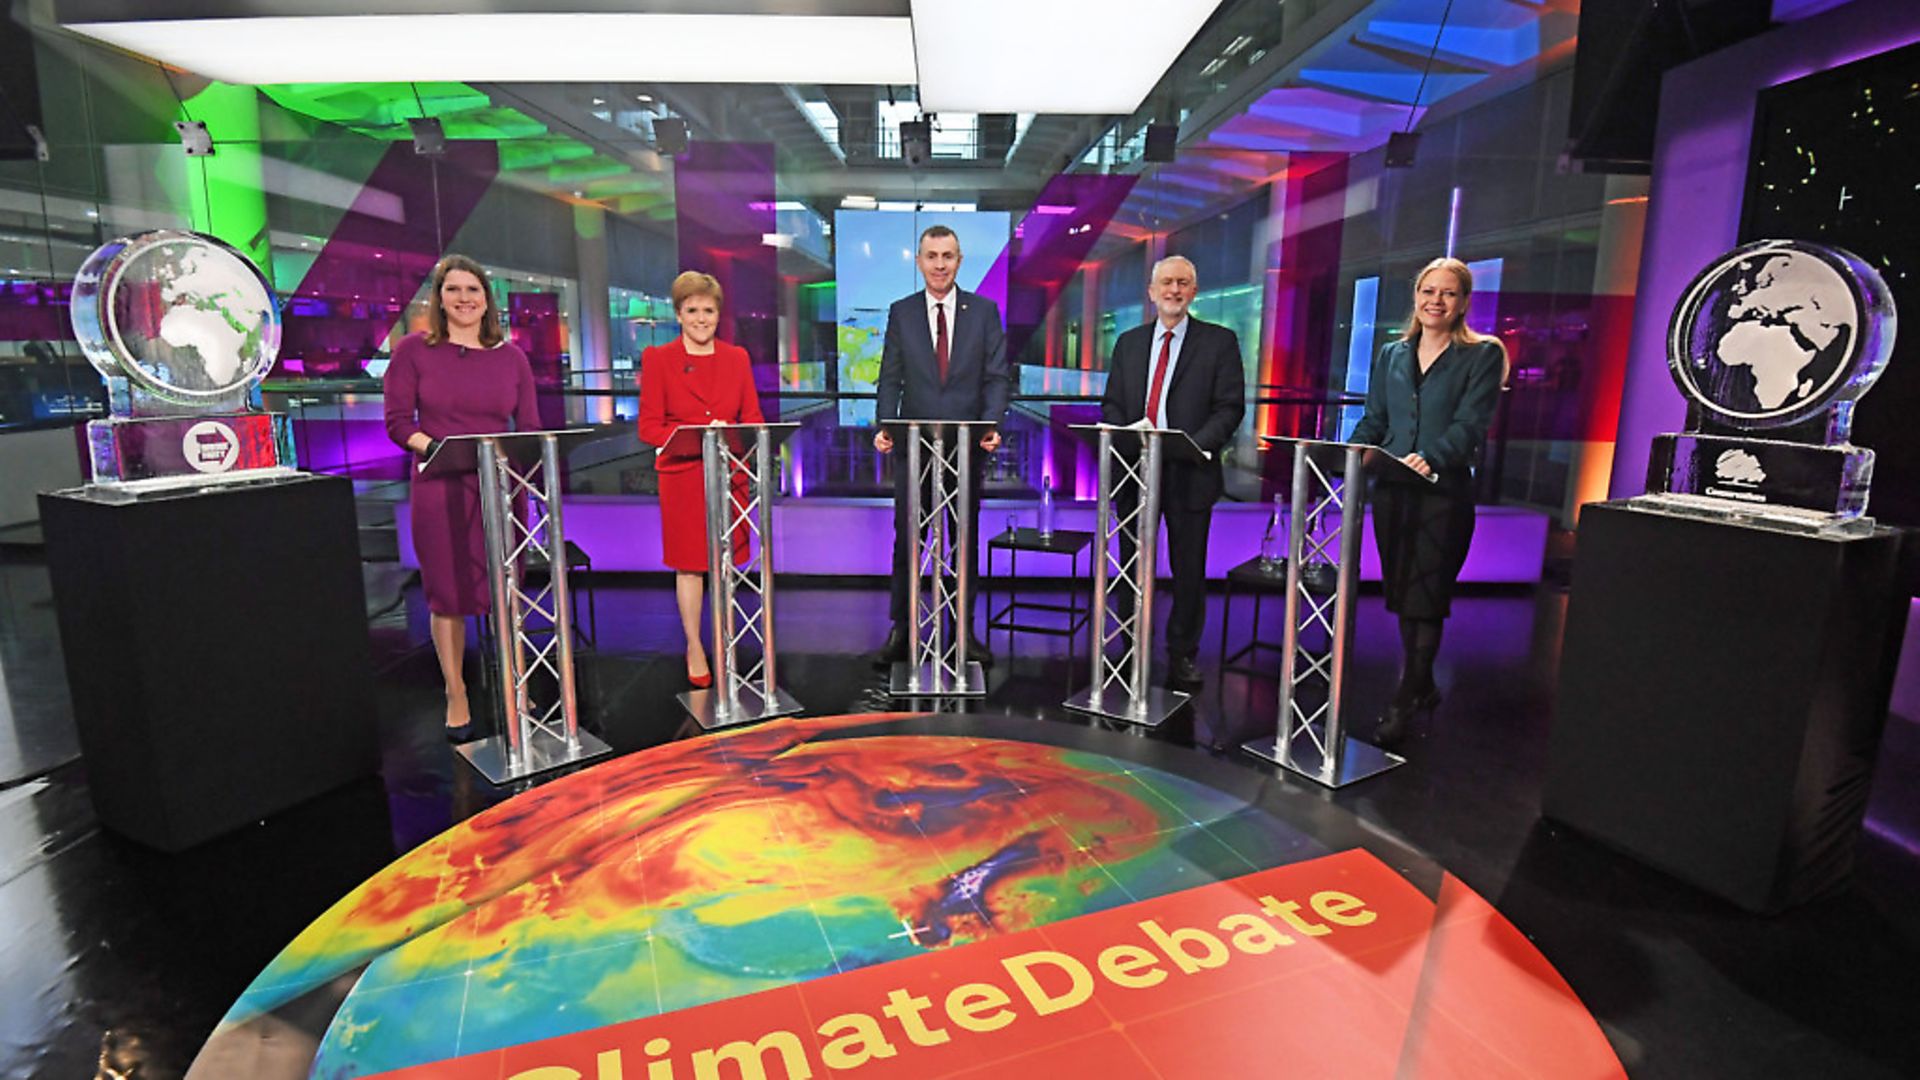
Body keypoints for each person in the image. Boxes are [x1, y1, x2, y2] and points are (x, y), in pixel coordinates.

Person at [1349, 256, 1507, 745]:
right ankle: (1423, 682)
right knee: (1401, 591)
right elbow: (1376, 418)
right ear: (1416, 297)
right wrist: (1354, 449)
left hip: (1442, 490)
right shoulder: (1391, 354)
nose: (1436, 301)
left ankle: (1406, 694)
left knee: (1427, 593)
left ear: (1463, 302)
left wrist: (1430, 456)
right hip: (1393, 489)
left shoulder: (1482, 355)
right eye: (1428, 291)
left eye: (1448, 293)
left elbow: (1471, 425)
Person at [383, 255, 541, 742]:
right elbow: (397, 422)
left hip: (497, 487)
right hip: (440, 487)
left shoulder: (512, 357)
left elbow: (531, 427)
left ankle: (517, 681)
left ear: (487, 299)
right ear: (440, 296)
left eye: (473, 289)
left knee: (505, 589)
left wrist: (530, 482)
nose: (464, 298)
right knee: (447, 596)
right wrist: (438, 449)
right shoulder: (414, 351)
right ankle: (457, 691)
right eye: (454, 290)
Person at [1099, 254, 1246, 692]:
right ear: (1151, 291)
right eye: (1166, 282)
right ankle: (1129, 644)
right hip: (1134, 471)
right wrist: (1122, 433)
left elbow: (1230, 408)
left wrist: (1197, 444)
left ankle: (1182, 654)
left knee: (1187, 569)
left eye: (1183, 282)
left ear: (1194, 291)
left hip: (1189, 471)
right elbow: (1111, 403)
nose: (1174, 290)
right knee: (1130, 566)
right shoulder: (1128, 342)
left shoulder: (1219, 342)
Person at [872, 224, 1010, 669]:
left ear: (959, 260)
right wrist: (885, 424)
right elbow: (890, 375)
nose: (939, 264)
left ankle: (963, 631)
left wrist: (991, 423)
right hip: (913, 448)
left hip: (966, 448)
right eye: (931, 256)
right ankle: (901, 629)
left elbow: (995, 376)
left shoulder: (984, 311)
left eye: (947, 256)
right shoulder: (902, 312)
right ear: (919, 260)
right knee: (907, 539)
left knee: (962, 539)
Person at [637, 271, 765, 688]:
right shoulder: (659, 359)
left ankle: (727, 640)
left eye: (708, 310)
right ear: (678, 314)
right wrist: (692, 435)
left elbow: (753, 418)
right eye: (692, 310)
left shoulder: (737, 358)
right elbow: (649, 427)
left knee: (728, 566)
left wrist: (746, 441)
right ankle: (695, 645)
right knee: (690, 568)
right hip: (684, 476)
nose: (701, 318)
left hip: (730, 474)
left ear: (718, 314)